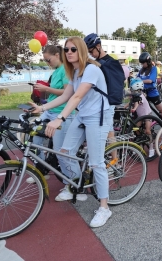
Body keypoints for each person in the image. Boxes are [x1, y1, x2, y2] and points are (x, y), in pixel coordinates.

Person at [29, 36, 113, 228]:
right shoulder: (74, 73)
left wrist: (60, 118)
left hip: (98, 117)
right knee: (65, 153)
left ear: (81, 50)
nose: (69, 52)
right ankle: (75, 185)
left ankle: (104, 208)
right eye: (66, 49)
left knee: (96, 162)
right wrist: (41, 109)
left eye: (73, 49)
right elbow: (66, 96)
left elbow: (76, 96)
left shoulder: (91, 69)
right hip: (83, 116)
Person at [28, 45, 78, 189]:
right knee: (34, 139)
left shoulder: (66, 71)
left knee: (60, 150)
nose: (47, 63)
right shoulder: (56, 71)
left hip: (61, 112)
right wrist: (41, 101)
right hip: (50, 111)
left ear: (57, 55)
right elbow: (54, 94)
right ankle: (42, 170)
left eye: (48, 60)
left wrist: (46, 89)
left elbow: (66, 93)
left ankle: (70, 184)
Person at [84, 33, 118, 143]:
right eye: (88, 52)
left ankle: (115, 159)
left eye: (91, 51)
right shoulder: (93, 63)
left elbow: (114, 85)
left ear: (98, 47)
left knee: (109, 132)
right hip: (95, 103)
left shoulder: (111, 62)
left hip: (107, 103)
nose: (90, 54)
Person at [137, 52, 162, 123]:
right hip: (143, 93)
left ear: (148, 61)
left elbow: (150, 80)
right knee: (142, 111)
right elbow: (136, 79)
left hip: (152, 93)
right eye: (141, 63)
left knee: (161, 110)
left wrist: (140, 80)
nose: (142, 65)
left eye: (143, 63)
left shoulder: (154, 69)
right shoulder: (141, 70)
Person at [125, 78, 155, 158]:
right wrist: (125, 107)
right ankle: (140, 145)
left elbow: (137, 102)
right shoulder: (135, 95)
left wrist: (134, 109)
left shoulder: (140, 96)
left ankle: (151, 148)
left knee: (148, 131)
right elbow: (131, 101)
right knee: (136, 129)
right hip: (140, 116)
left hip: (147, 114)